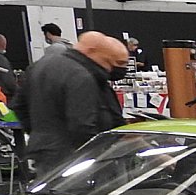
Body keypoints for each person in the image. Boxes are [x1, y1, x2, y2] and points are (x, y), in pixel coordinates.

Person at [10, 30, 127, 172]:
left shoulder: (38, 66)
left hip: (44, 151)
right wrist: (98, 154)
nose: (108, 68)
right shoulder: (81, 75)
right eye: (107, 61)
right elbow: (82, 125)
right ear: (92, 50)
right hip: (75, 157)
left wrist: (39, 132)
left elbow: (19, 105)